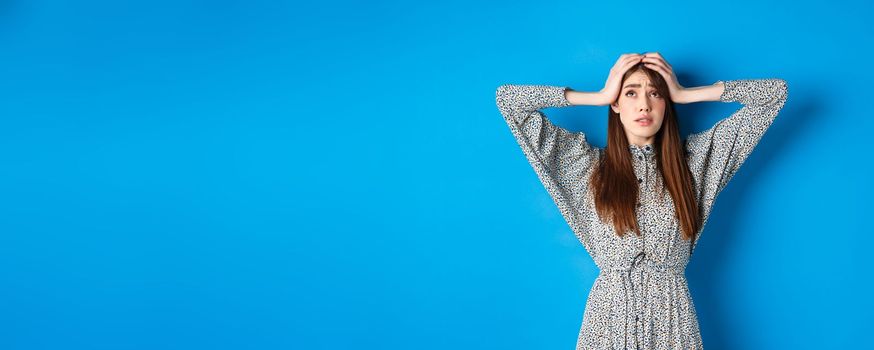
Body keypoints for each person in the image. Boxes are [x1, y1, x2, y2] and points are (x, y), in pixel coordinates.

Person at [494, 52, 788, 349]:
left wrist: (685, 94)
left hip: (674, 322)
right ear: (617, 104)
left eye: (655, 93)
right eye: (631, 92)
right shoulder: (585, 167)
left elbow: (775, 95)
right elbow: (509, 101)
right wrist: (599, 96)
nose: (644, 104)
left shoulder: (697, 163)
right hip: (608, 323)